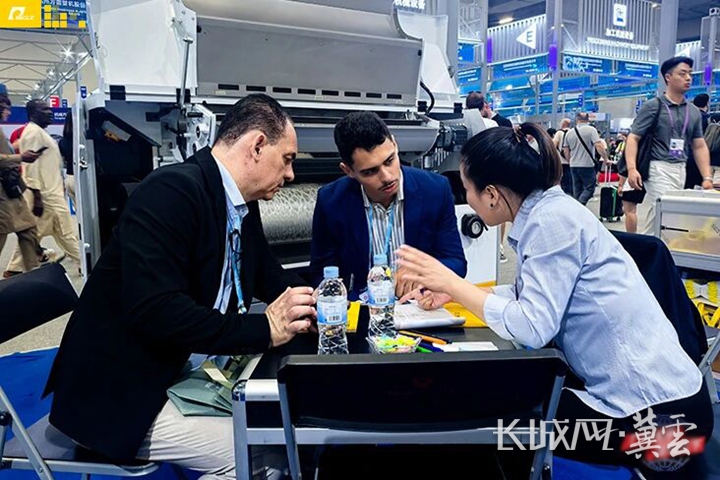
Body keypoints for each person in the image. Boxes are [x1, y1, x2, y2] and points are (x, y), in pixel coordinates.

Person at [395, 124, 713, 472]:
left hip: (663, 423)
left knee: (504, 423)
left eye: (468, 189)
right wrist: (455, 291)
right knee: (503, 401)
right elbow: (531, 296)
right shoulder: (548, 211)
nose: (467, 198)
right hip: (660, 405)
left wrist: (454, 285)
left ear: (491, 194)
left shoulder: (551, 223)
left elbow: (533, 327)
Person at [45, 94, 317, 478]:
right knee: (266, 449)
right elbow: (157, 310)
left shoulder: (237, 200)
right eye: (286, 159)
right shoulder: (171, 192)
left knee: (280, 419)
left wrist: (315, 303)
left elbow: (265, 272)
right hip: (116, 394)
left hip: (171, 367)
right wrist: (265, 329)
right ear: (257, 146)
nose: (290, 174)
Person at [310, 111, 466, 300]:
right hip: (364, 307)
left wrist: (423, 272)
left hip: (417, 303)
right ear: (348, 170)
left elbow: (457, 262)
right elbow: (320, 273)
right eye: (370, 171)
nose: (387, 177)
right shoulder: (331, 201)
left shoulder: (435, 190)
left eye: (390, 161)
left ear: (394, 143)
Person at [626, 56, 714, 235]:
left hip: (681, 168)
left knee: (659, 214)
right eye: (682, 74)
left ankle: (647, 246)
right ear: (668, 77)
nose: (688, 78)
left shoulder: (693, 111)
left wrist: (707, 177)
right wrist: (632, 169)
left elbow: (699, 145)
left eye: (690, 74)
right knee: (668, 211)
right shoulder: (653, 106)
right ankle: (660, 247)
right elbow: (633, 138)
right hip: (657, 167)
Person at [4, 100, 80, 276]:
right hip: (45, 195)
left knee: (43, 233)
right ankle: (85, 263)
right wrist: (37, 196)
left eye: (49, 109)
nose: (50, 112)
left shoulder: (38, 132)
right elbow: (31, 167)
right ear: (33, 113)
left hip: (49, 192)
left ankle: (14, 268)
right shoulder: (33, 134)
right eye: (44, 109)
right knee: (64, 232)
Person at [0, 87, 41, 272]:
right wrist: (20, 157)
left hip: (11, 190)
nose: (8, 112)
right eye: (5, 106)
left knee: (28, 228)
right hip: (2, 194)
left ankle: (33, 273)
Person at [563, 112, 609, 205]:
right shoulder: (591, 130)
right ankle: (580, 205)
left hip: (573, 165)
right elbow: (598, 145)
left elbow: (565, 149)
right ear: (588, 119)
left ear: (577, 119)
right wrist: (606, 158)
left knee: (577, 189)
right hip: (587, 165)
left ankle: (577, 209)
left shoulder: (569, 132)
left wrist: (570, 161)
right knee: (590, 188)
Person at [553, 118, 573, 195]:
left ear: (563, 124)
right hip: (572, 160)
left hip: (561, 161)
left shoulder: (559, 133)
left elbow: (554, 145)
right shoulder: (572, 132)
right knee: (570, 180)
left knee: (562, 180)